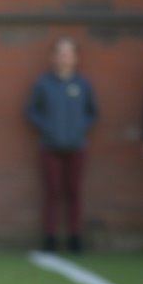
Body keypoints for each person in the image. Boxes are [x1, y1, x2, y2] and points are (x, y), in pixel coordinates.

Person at [24, 38, 98, 255]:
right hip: (50, 146)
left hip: (77, 146)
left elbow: (92, 112)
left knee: (74, 192)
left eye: (69, 53)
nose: (65, 58)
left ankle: (75, 238)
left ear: (75, 58)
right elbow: (31, 111)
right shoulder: (43, 83)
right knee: (52, 192)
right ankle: (50, 238)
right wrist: (48, 128)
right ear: (53, 57)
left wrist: (79, 128)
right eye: (60, 53)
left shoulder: (83, 84)